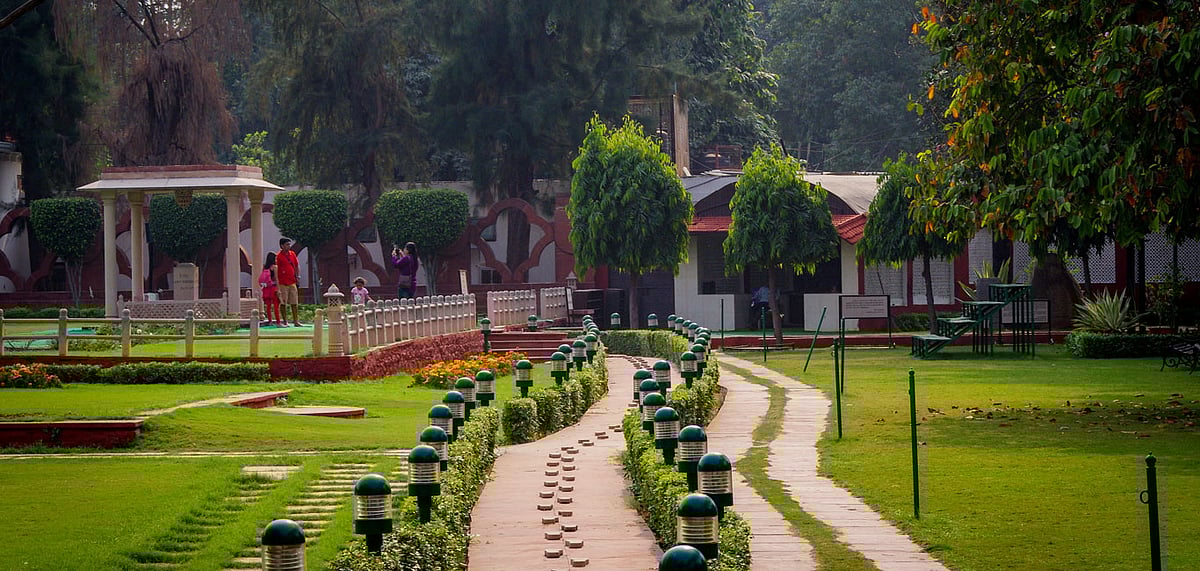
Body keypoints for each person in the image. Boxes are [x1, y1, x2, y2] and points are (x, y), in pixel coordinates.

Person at [276, 237, 302, 327]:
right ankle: (285, 321)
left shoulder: (292, 254)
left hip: (292, 281)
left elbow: (296, 265)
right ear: (282, 246)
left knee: (294, 302)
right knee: (283, 302)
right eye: (287, 244)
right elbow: (276, 269)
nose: (289, 246)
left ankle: (296, 321)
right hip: (282, 282)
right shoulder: (278, 256)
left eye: (289, 244)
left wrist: (298, 276)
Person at [259, 252, 283, 327]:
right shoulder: (275, 267)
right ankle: (278, 322)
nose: (276, 260)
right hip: (273, 288)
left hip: (266, 288)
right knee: (276, 306)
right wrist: (278, 289)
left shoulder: (265, 267)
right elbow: (276, 278)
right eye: (275, 258)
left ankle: (270, 321)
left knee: (268, 306)